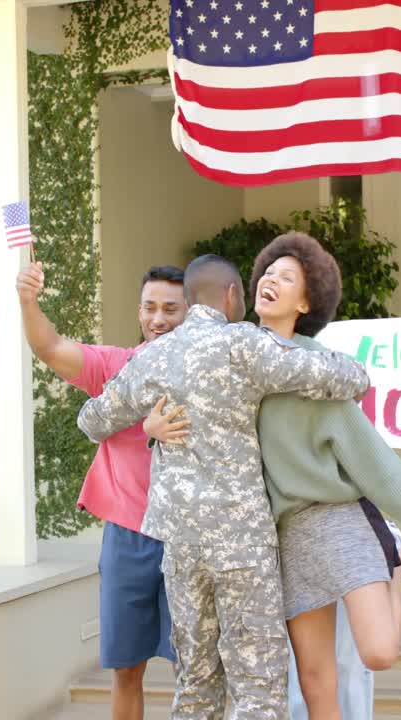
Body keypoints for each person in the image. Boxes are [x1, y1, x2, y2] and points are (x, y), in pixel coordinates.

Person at [144, 233, 401, 720]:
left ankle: (396, 559)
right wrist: (150, 427)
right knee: (314, 684)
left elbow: (366, 445)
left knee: (379, 653)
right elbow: (168, 390)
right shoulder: (231, 353)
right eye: (267, 273)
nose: (270, 280)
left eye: (287, 277)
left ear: (306, 302)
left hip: (336, 521)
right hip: (280, 538)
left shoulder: (316, 366)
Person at [76, 255, 372, 720]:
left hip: (180, 547)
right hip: (242, 544)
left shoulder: (153, 357)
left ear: (189, 298)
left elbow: (91, 421)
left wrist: (149, 425)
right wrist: (356, 372)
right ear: (232, 296)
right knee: (257, 687)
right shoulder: (244, 344)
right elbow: (343, 377)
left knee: (195, 684)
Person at [16, 261, 187, 720]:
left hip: (189, 537)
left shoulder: (210, 375)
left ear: (191, 313)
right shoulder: (115, 366)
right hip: (127, 537)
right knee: (125, 670)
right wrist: (28, 300)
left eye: (171, 309)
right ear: (139, 311)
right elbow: (49, 347)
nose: (158, 319)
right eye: (150, 307)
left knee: (194, 670)